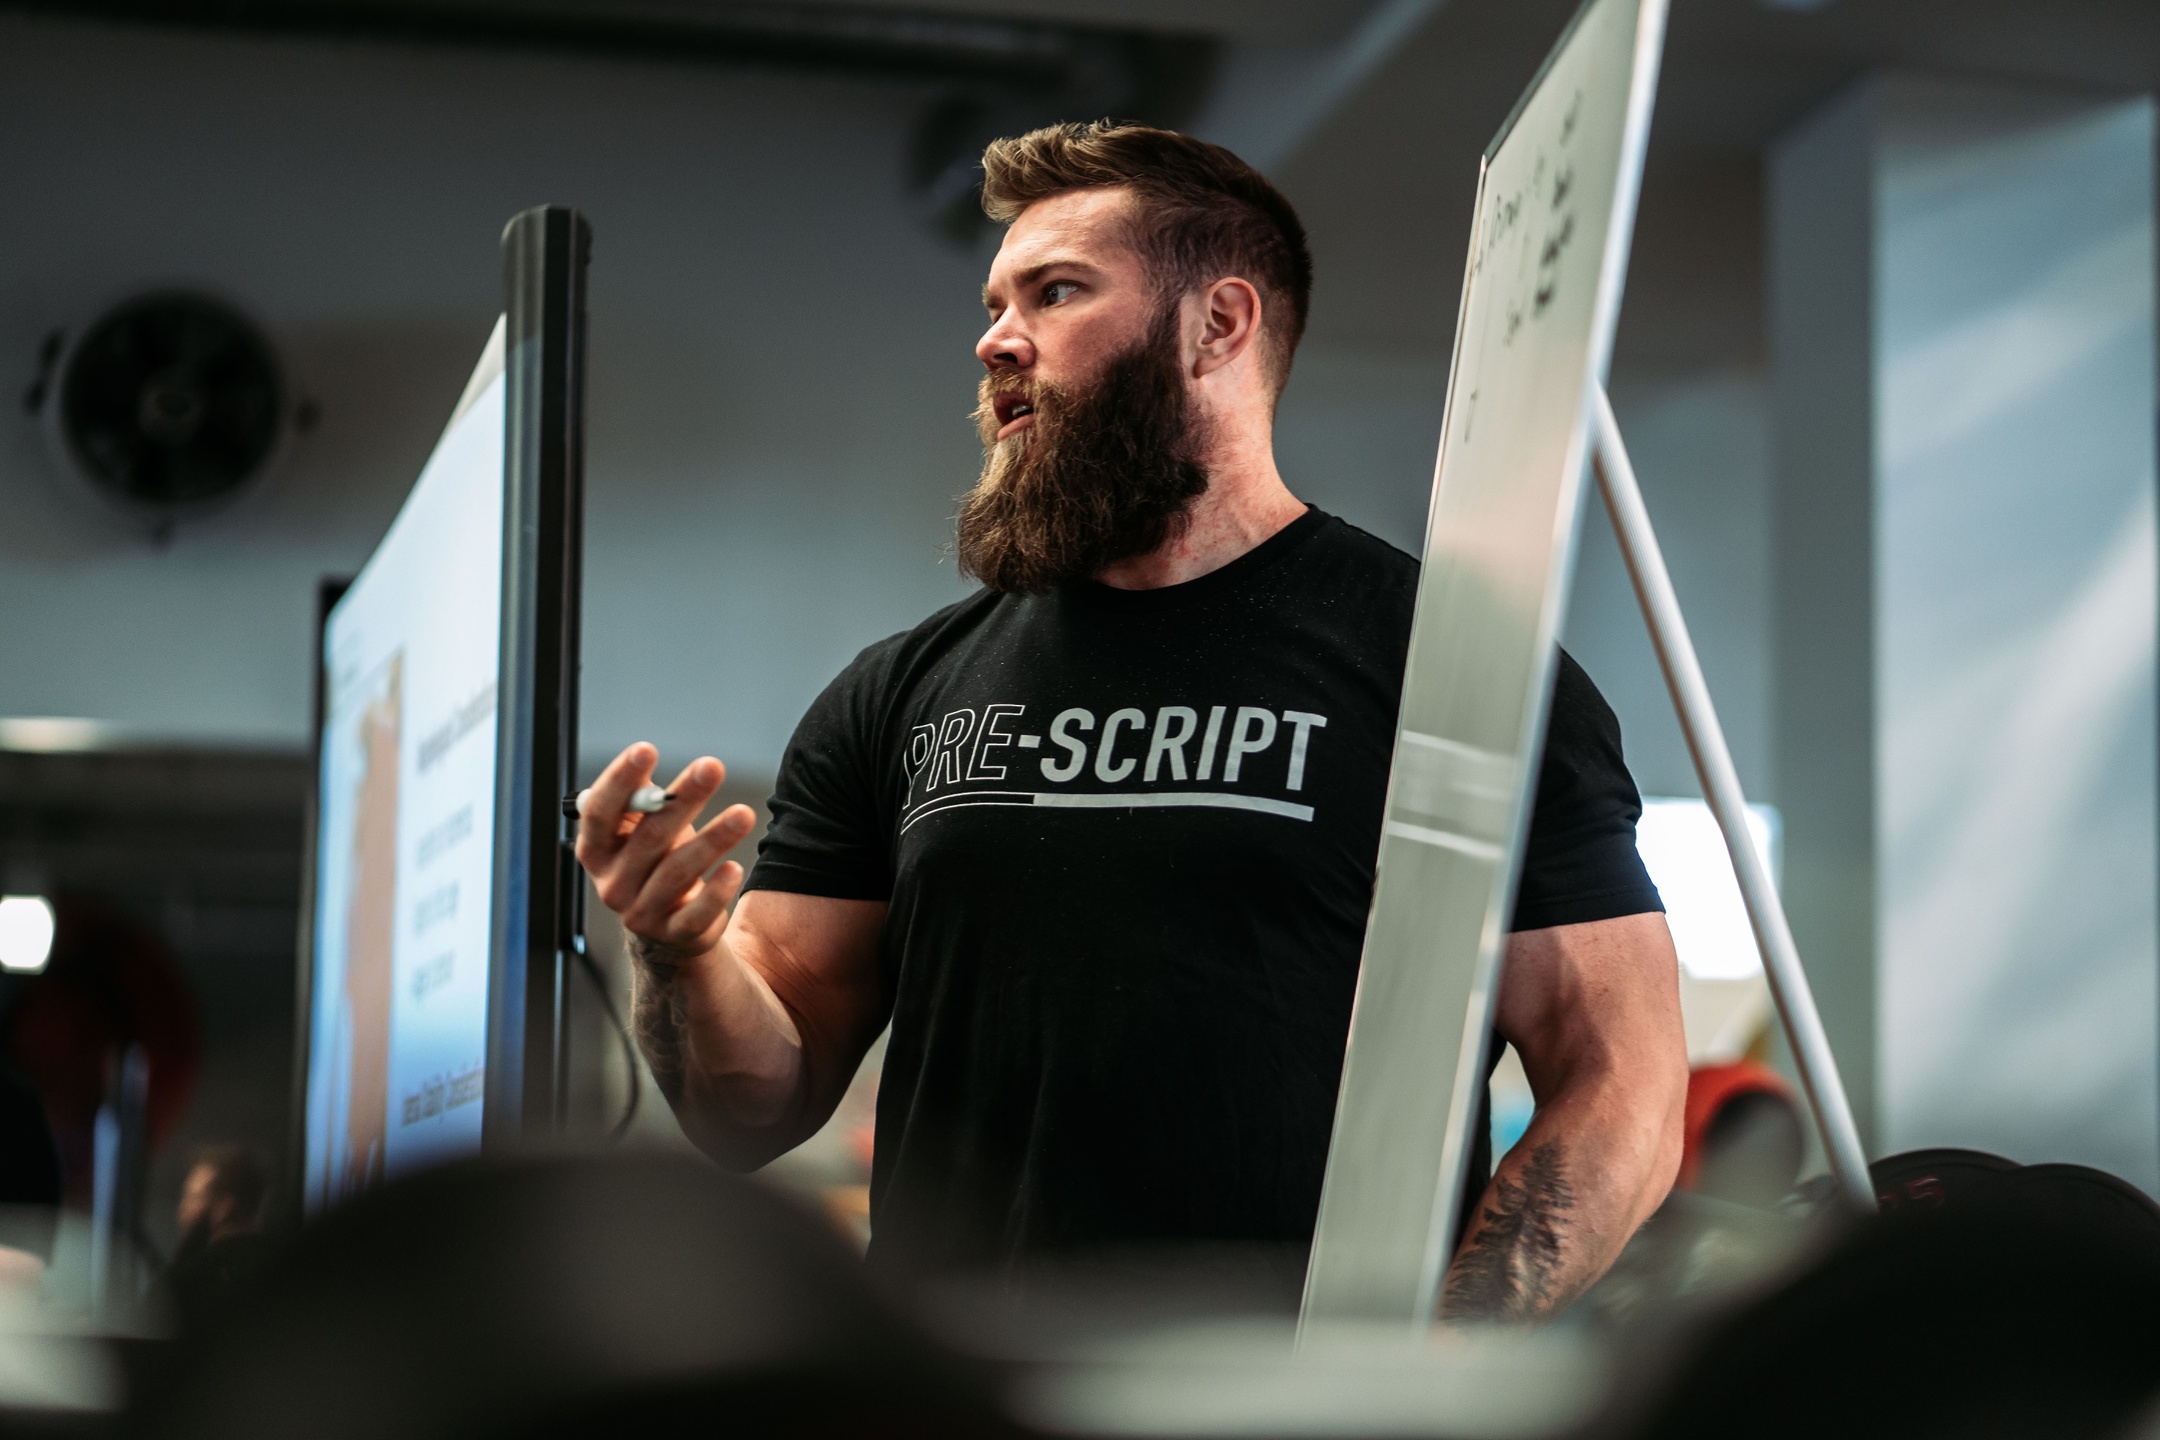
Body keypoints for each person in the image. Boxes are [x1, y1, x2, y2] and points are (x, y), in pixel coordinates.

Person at [577, 121, 1689, 1322]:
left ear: (1219, 324)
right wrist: (680, 952)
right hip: (956, 1387)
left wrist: (1427, 1372)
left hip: (1281, 1395)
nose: (996, 340)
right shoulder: (897, 693)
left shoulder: (1451, 668)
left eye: (1055, 292)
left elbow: (1620, 1083)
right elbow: (749, 1106)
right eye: (997, 303)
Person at [165, 1144, 270, 1323]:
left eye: (194, 1197)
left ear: (225, 1206)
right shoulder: (289, 1272)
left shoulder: (191, 1280)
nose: (182, 1208)